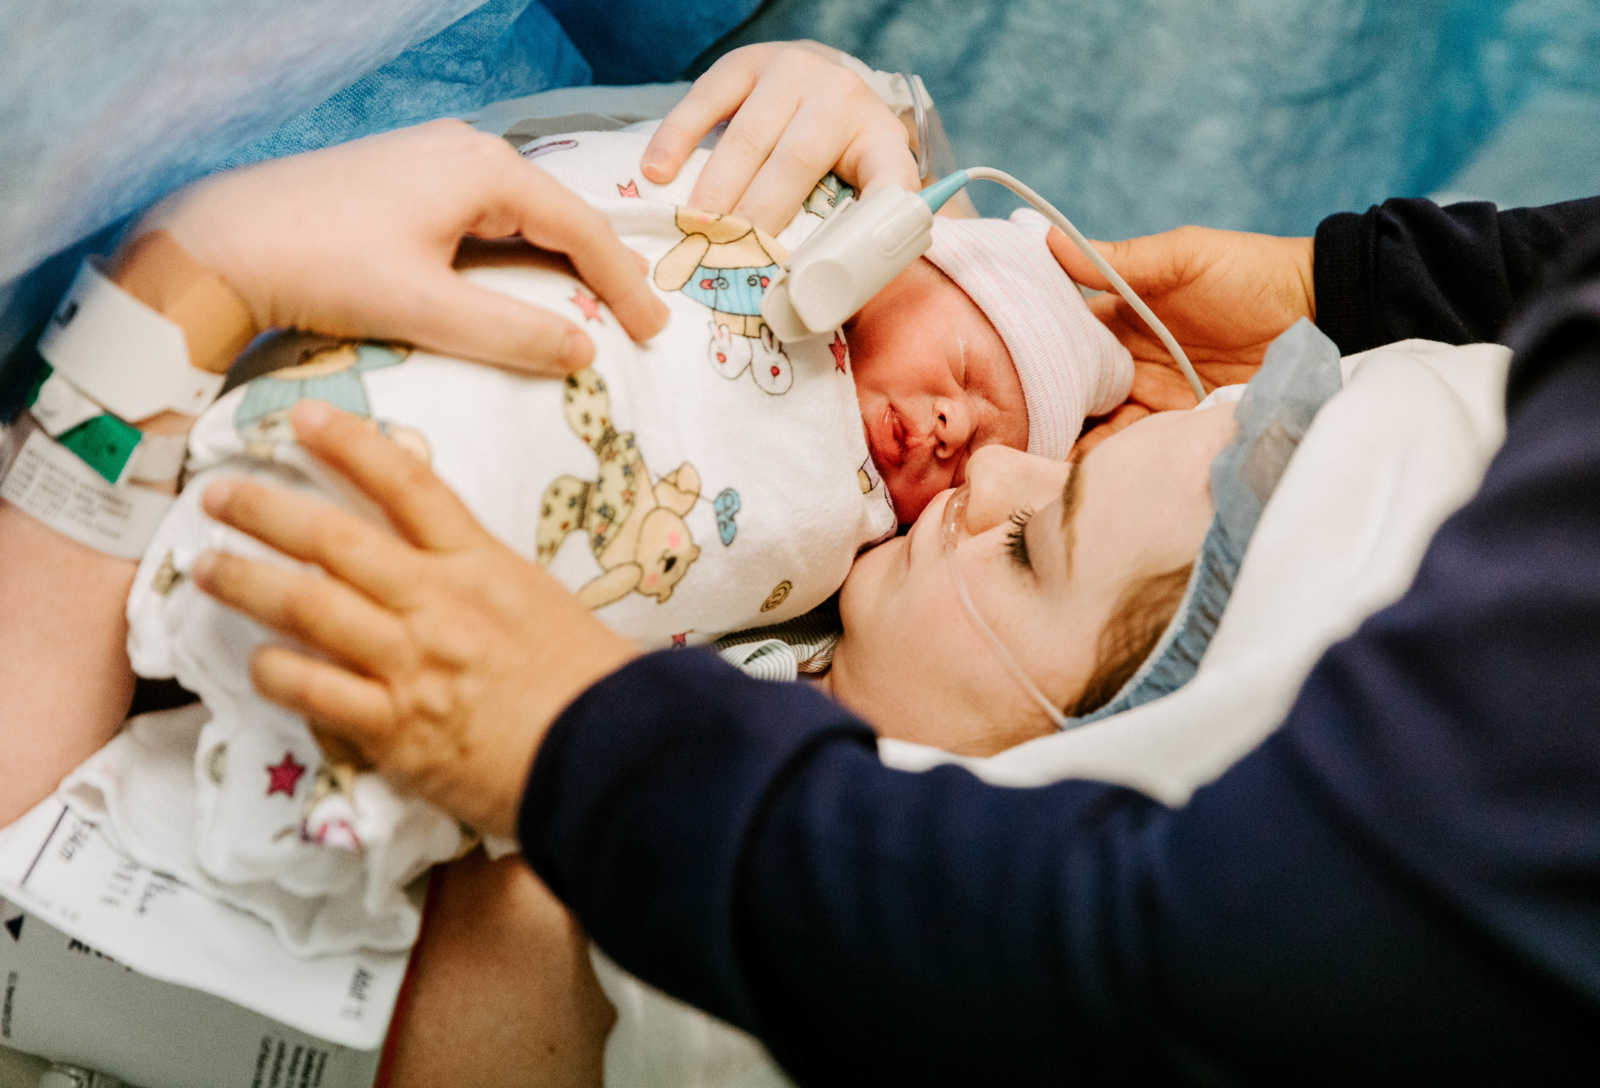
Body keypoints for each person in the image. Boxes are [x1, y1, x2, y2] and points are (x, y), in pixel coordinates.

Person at [189, 190, 1600, 1082]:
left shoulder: (574, 957)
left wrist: (189, 290)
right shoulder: (820, 575)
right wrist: (1363, 288)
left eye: (1032, 542)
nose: (987, 468)